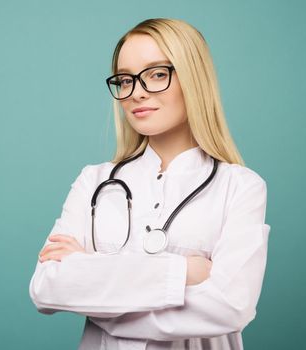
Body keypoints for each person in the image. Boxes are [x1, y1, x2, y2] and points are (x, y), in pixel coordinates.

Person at [29, 18, 271, 350]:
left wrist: (93, 278)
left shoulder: (241, 187)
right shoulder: (94, 181)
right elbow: (47, 287)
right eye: (125, 79)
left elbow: (229, 309)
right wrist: (186, 271)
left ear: (192, 79)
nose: (136, 92)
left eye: (157, 74)